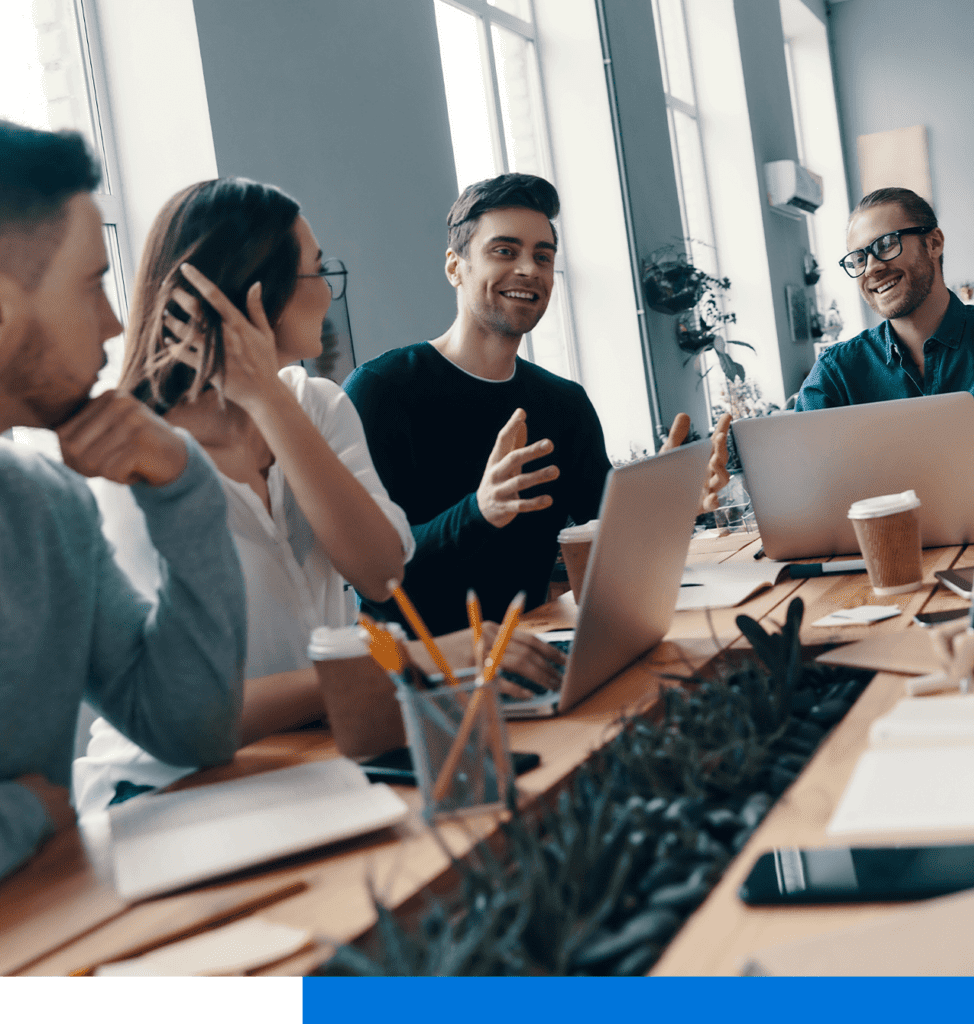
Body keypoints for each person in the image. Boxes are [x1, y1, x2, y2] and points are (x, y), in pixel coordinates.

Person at [73, 178, 562, 815]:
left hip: (320, 752)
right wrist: (424, 659)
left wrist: (269, 399)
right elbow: (196, 714)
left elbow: (381, 572)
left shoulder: (317, 405)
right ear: (253, 292)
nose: (329, 290)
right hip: (170, 787)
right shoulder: (127, 460)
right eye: (315, 269)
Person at [0, 123, 247, 879]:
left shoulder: (47, 505)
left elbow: (191, 726)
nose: (114, 324)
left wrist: (183, 484)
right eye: (89, 284)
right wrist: (22, 816)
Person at [345, 173, 729, 637]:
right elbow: (378, 575)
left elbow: (608, 531)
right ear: (454, 266)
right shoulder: (380, 390)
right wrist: (480, 510)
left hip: (539, 649)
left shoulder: (563, 403)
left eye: (542, 256)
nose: (529, 269)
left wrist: (670, 498)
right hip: (428, 680)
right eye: (504, 251)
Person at [795, 188, 974, 410]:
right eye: (859, 259)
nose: (871, 269)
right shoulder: (836, 375)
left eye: (886, 244)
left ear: (933, 243)